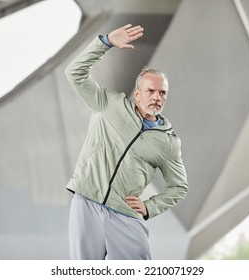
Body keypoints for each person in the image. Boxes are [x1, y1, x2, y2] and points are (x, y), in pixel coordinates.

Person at [65, 24, 188, 260]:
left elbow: (179, 187)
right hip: (87, 203)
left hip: (125, 213)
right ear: (138, 92)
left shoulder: (168, 142)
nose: (156, 97)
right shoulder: (108, 104)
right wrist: (106, 42)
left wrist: (150, 207)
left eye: (162, 93)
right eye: (151, 90)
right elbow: (74, 73)